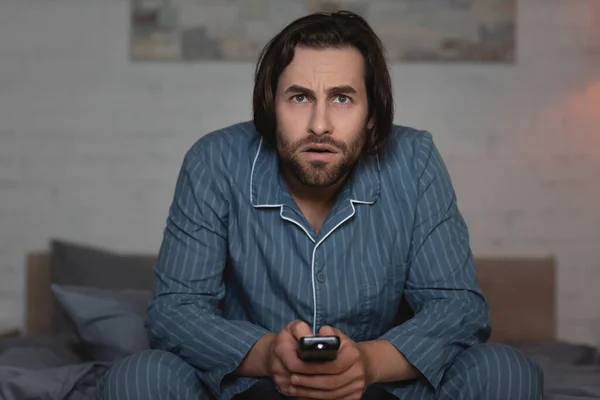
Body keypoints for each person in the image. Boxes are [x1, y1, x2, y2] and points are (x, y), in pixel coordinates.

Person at [99, 10, 543, 400]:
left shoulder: (415, 160)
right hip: (249, 386)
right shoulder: (213, 160)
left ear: (371, 115)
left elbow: (458, 308)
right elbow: (174, 312)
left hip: (378, 387)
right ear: (272, 106)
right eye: (299, 97)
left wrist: (367, 363)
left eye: (342, 98)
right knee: (138, 376)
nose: (319, 125)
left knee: (504, 369)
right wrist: (267, 354)